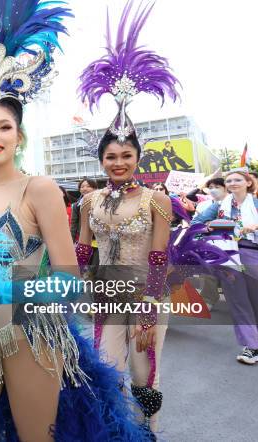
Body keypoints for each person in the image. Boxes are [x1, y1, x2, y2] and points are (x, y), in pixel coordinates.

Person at [0, 2, 149, 441]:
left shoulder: (37, 189)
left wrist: (6, 291)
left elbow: (68, 277)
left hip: (32, 334)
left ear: (18, 136)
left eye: (3, 127)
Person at [77, 1, 179, 435]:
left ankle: (149, 432)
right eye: (111, 157)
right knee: (105, 371)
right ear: (101, 160)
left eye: (126, 156)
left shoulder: (157, 199)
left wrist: (150, 309)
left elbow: (158, 257)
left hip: (144, 298)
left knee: (143, 376)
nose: (118, 163)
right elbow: (83, 248)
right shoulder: (89, 201)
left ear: (138, 157)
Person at [192, 170, 258, 365]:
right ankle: (251, 347)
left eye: (237, 179)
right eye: (229, 180)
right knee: (238, 300)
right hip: (226, 255)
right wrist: (217, 227)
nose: (232, 183)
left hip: (253, 254)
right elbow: (196, 223)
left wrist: (256, 227)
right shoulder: (218, 206)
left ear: (248, 183)